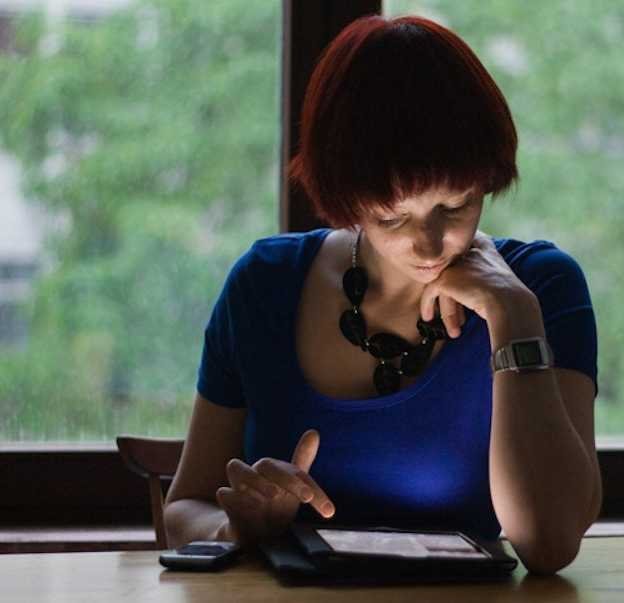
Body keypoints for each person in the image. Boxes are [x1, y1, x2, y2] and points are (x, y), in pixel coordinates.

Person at [163, 14, 601, 575]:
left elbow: (549, 543)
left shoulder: (541, 288)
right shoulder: (265, 283)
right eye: (393, 216)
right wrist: (238, 525)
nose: (431, 242)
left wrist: (513, 317)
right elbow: (183, 507)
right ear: (346, 199)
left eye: (457, 205)